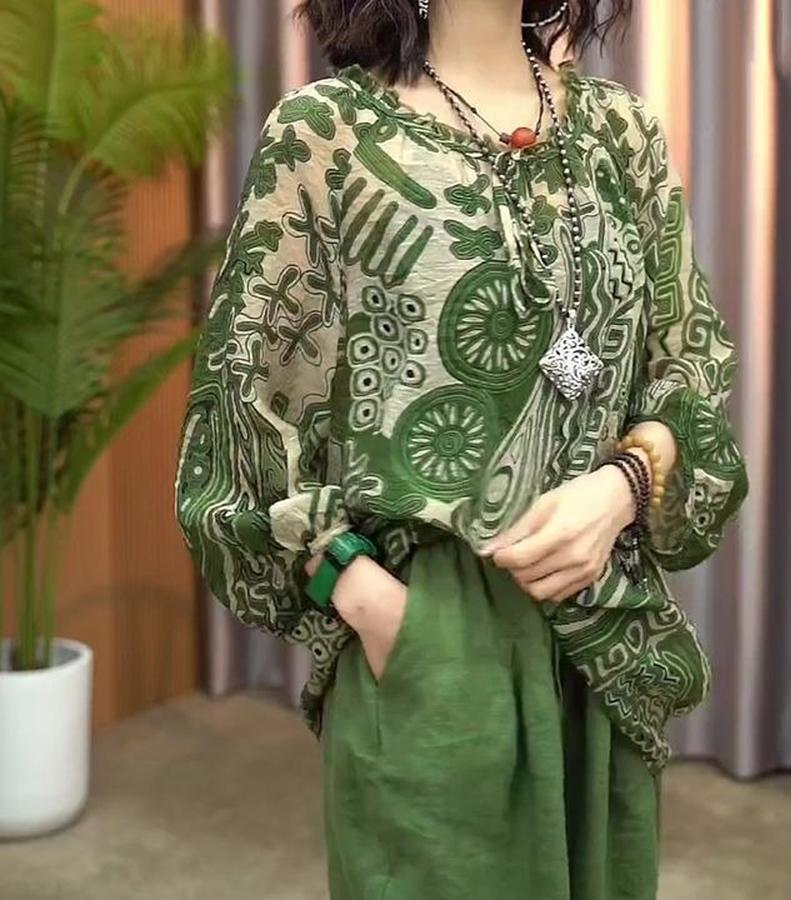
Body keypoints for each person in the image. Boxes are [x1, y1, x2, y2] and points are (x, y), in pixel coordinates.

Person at [175, 1, 749, 897]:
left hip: (601, 627)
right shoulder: (329, 135)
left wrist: (625, 485)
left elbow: (690, 364)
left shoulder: (619, 133)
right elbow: (241, 424)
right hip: (429, 627)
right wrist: (366, 600)